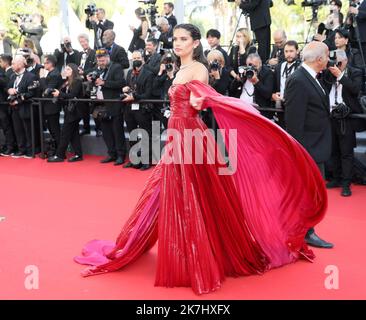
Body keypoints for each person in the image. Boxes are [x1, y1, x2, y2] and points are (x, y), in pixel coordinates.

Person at [75, 24, 328, 295]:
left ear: (196, 43)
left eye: (184, 39)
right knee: (168, 193)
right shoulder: (180, 69)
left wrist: (199, 101)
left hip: (190, 135)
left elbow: (204, 100)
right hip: (177, 135)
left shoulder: (198, 69)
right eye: (175, 39)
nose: (178, 43)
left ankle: (196, 256)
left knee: (193, 195)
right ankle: (182, 248)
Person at [284, 41, 334, 249]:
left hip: (316, 145)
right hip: (307, 149)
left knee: (313, 192)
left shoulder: (311, 77)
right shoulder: (298, 80)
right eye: (327, 56)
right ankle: (306, 231)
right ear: (320, 59)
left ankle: (305, 229)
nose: (329, 59)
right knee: (308, 193)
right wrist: (300, 153)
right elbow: (294, 121)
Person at [322, 50, 366, 196]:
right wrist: (330, 72)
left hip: (347, 117)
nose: (336, 65)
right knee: (333, 150)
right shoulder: (329, 72)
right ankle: (336, 178)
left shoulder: (355, 72)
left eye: (339, 63)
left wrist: (340, 75)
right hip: (330, 116)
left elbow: (355, 89)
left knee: (346, 153)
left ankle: (346, 184)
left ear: (345, 61)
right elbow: (323, 86)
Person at [87, 49, 126, 165]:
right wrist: (90, 79)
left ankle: (120, 155)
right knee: (106, 132)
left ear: (108, 58)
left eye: (103, 61)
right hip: (101, 105)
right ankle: (111, 153)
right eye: (99, 61)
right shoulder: (98, 69)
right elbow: (93, 81)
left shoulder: (116, 67)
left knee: (117, 131)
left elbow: (121, 83)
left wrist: (104, 82)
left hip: (114, 104)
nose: (101, 63)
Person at [122, 50, 155, 171]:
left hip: (142, 108)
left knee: (146, 134)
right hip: (129, 108)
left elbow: (148, 93)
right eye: (134, 57)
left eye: (138, 57)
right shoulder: (130, 72)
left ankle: (146, 161)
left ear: (143, 59)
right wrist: (125, 90)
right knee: (132, 134)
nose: (136, 59)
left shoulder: (149, 74)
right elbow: (130, 88)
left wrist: (134, 97)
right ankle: (134, 160)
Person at [48, 64, 85, 163]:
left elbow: (72, 95)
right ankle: (78, 154)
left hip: (75, 111)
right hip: (69, 111)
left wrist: (60, 94)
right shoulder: (67, 82)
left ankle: (59, 155)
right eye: (65, 69)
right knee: (74, 135)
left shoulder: (77, 81)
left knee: (65, 133)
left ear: (73, 70)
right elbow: (64, 94)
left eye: (68, 69)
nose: (66, 71)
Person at [7, 56, 37, 158]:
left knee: (27, 130)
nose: (12, 66)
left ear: (20, 64)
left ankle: (30, 150)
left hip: (25, 107)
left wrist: (18, 100)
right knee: (18, 129)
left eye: (13, 64)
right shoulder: (12, 76)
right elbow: (8, 87)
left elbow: (31, 93)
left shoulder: (31, 76)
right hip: (14, 108)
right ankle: (21, 149)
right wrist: (9, 90)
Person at [0, 54, 16, 155]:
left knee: (6, 126)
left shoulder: (9, 73)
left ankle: (10, 146)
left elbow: (6, 85)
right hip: (3, 104)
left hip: (4, 104)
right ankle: (6, 145)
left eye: (0, 61)